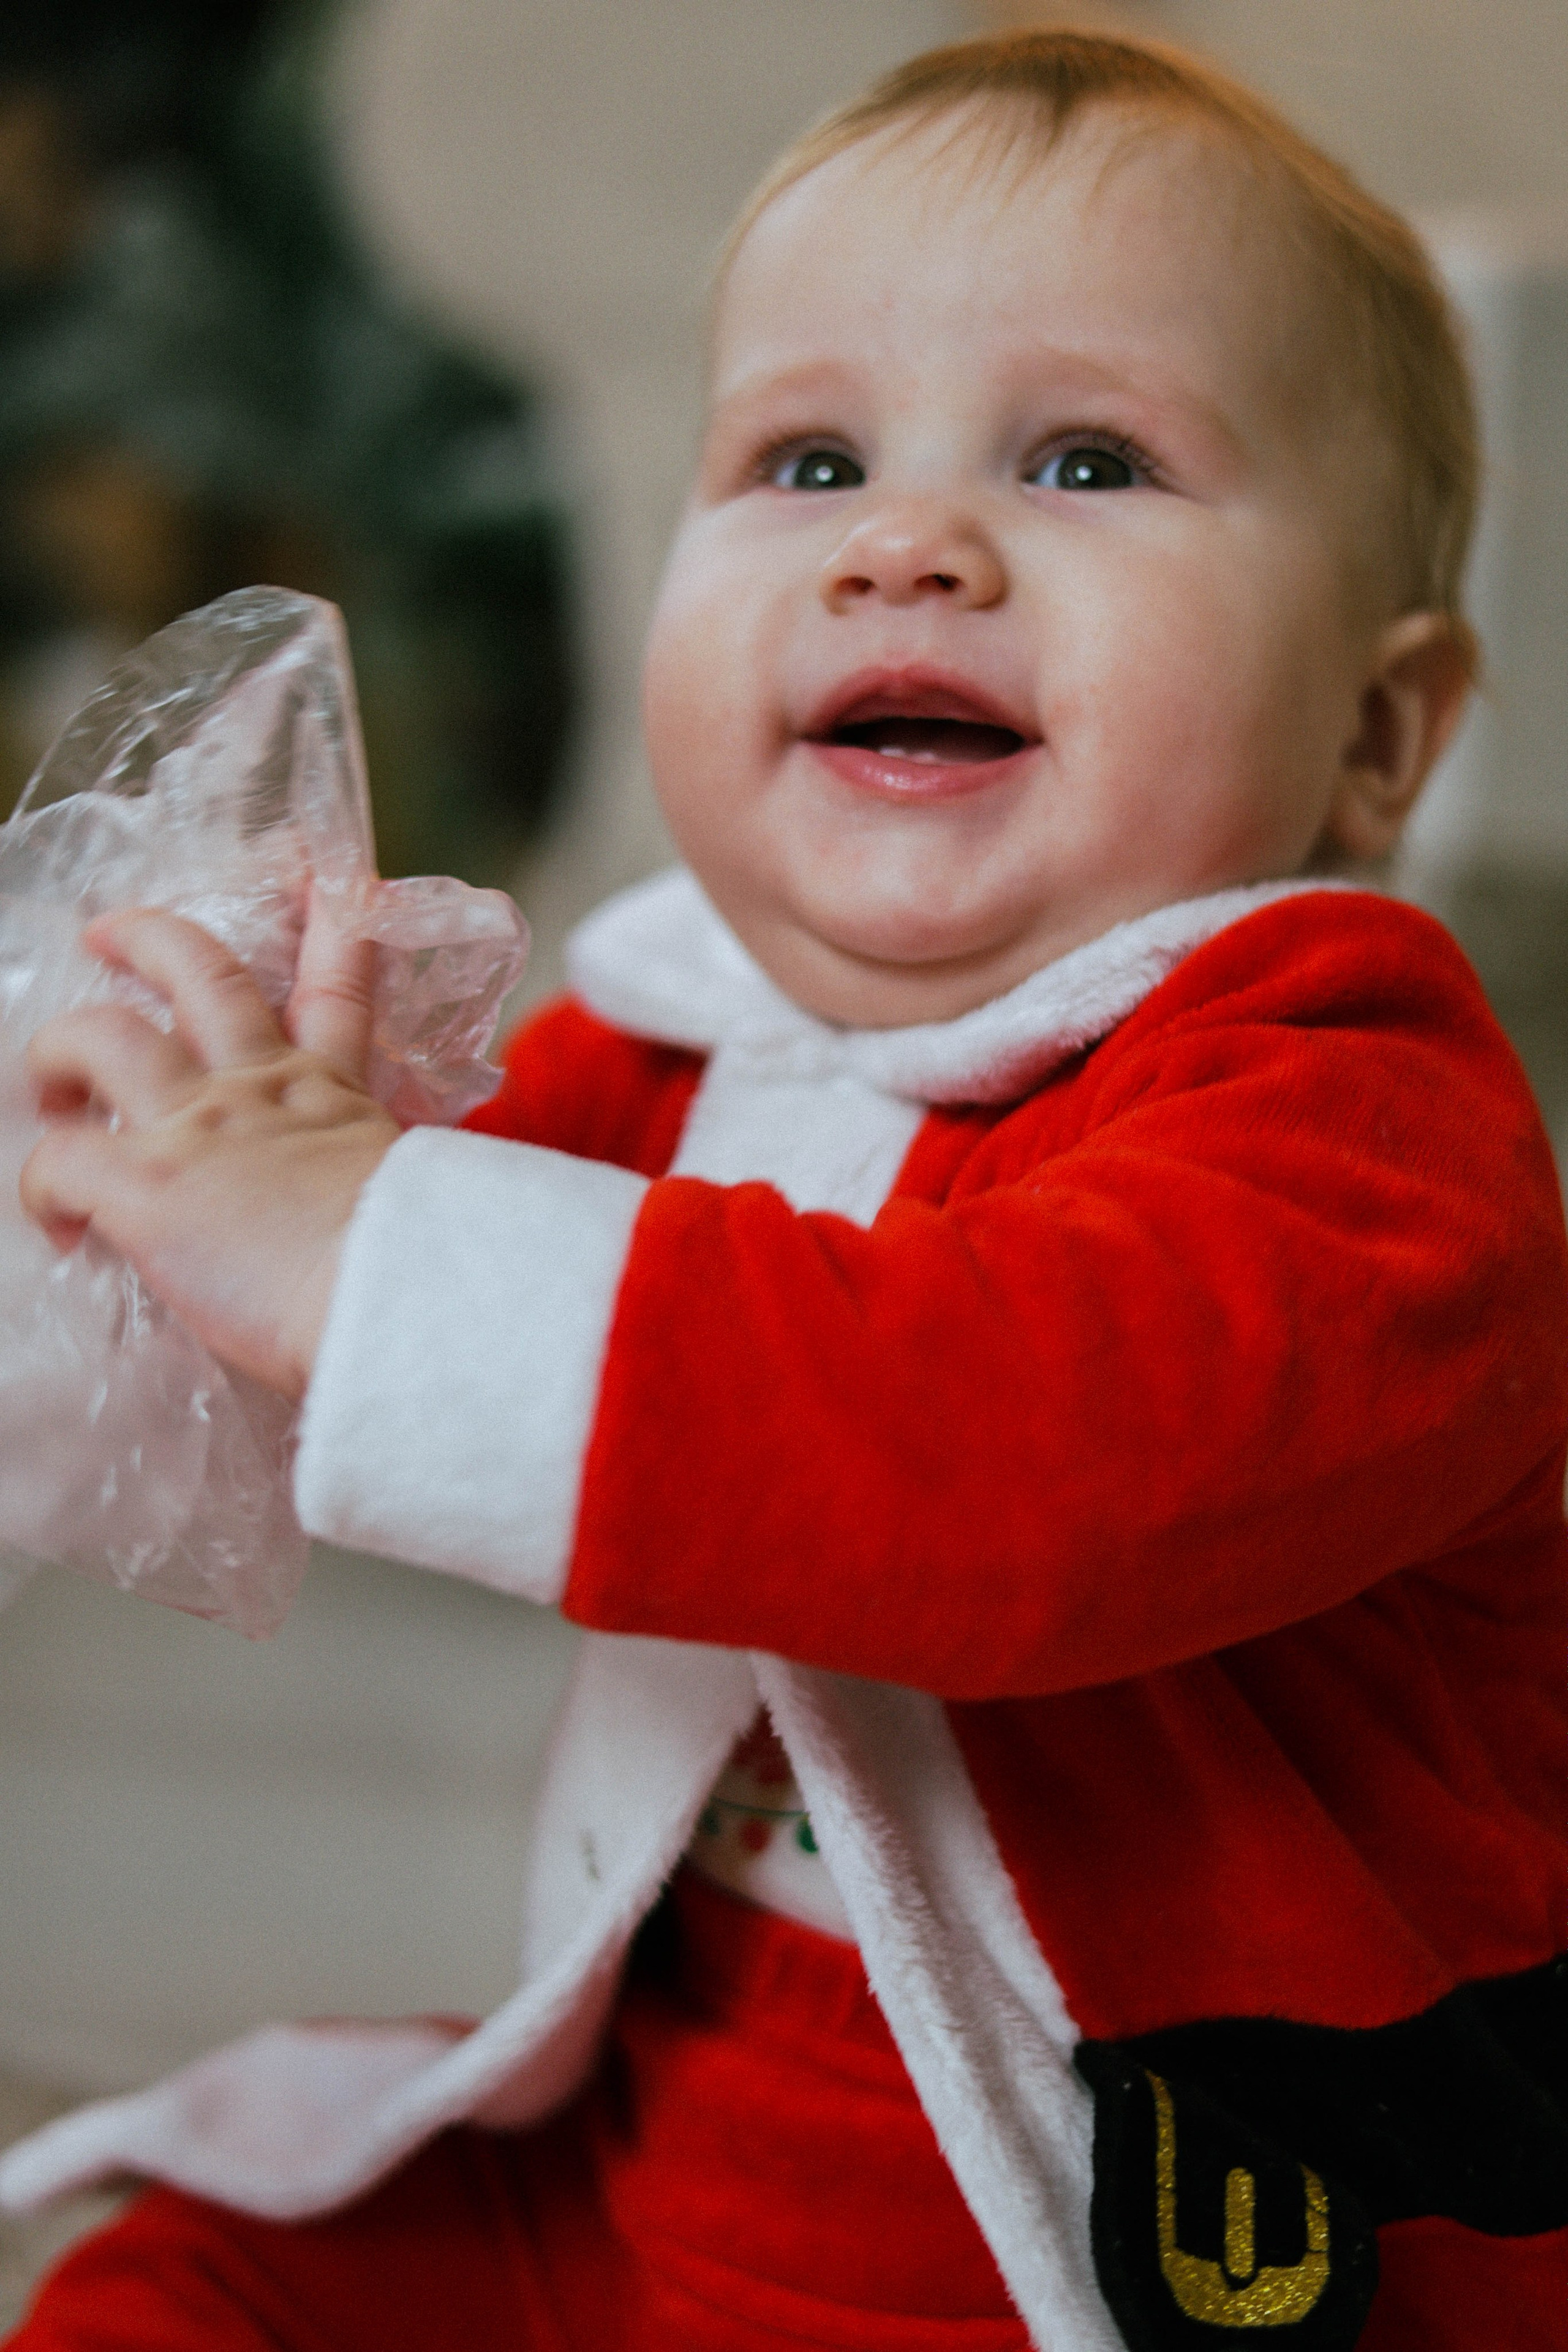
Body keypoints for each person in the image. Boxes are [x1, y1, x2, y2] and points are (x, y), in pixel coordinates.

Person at [5, 28, 1566, 2352]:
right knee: (192, 2281)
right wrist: (161, 1182)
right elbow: (366, 1370)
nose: (903, 539)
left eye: (1089, 459)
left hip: (1118, 2213)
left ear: (1374, 735)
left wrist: (363, 1246)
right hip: (680, 2121)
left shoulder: (1362, 1125)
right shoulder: (677, 1032)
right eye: (808, 456)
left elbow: (1000, 1458)